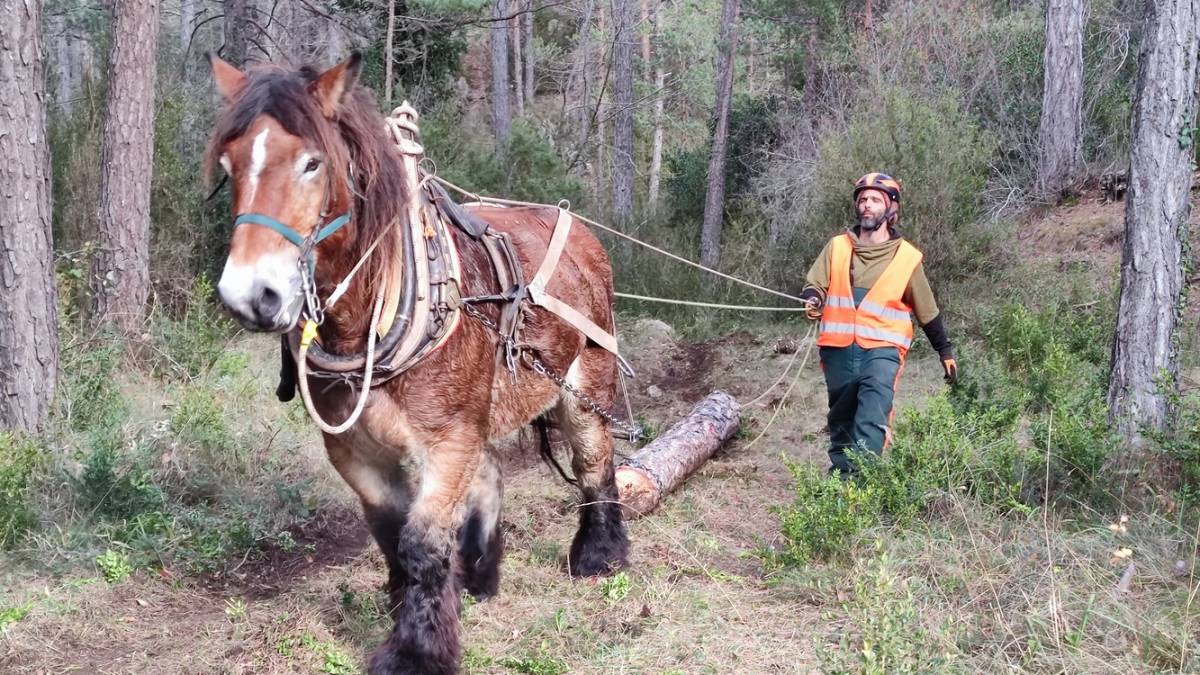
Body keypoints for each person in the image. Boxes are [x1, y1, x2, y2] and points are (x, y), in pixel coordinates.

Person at [799, 172, 957, 476]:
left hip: (884, 350)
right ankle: (840, 483)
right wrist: (813, 298)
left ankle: (862, 485)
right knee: (842, 420)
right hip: (838, 350)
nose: (867, 205)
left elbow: (927, 309)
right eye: (862, 200)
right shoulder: (837, 247)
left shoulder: (907, 257)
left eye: (875, 199)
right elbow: (815, 284)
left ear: (890, 208)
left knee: (872, 416)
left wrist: (945, 351)